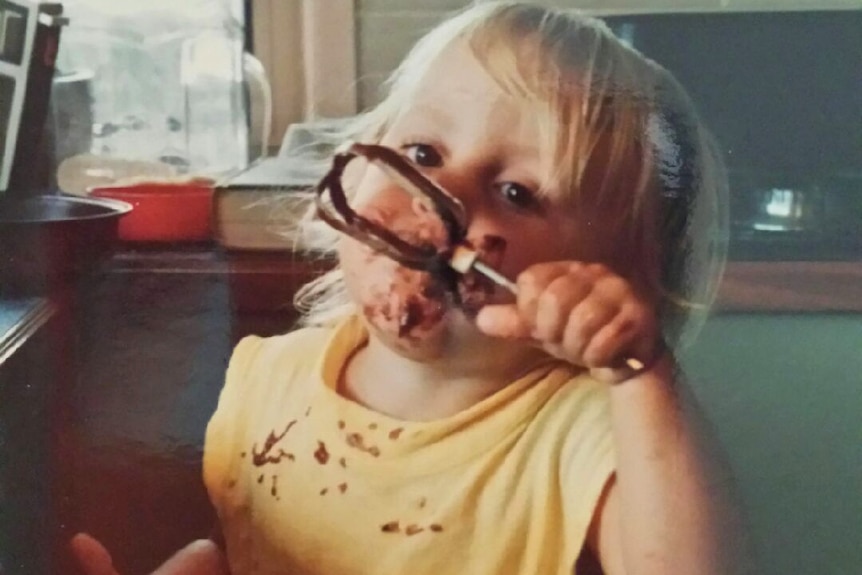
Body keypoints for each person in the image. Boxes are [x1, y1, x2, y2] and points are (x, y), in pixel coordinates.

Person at [73, 1, 752, 574]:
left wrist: (639, 373)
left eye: (517, 192)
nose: (444, 197)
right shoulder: (268, 378)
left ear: (605, 281)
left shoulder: (580, 432)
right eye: (423, 153)